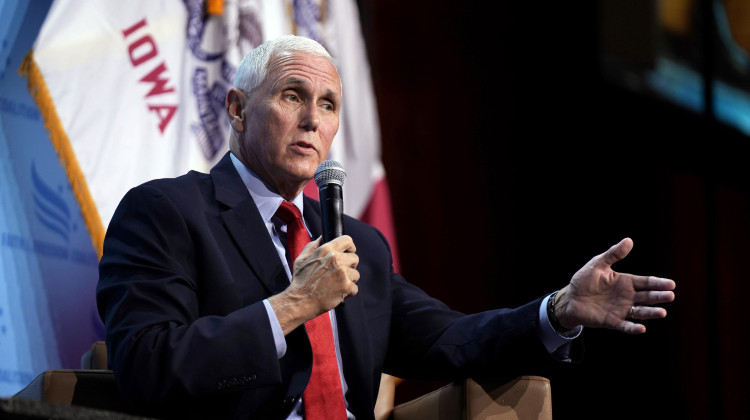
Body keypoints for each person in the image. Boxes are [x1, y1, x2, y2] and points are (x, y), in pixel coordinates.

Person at [96, 35, 675, 420]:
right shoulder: (166, 213)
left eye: (327, 105)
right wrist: (295, 304)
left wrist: (558, 310)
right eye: (292, 96)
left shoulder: (359, 246)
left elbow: (453, 339)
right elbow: (147, 366)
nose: (311, 120)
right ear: (238, 109)